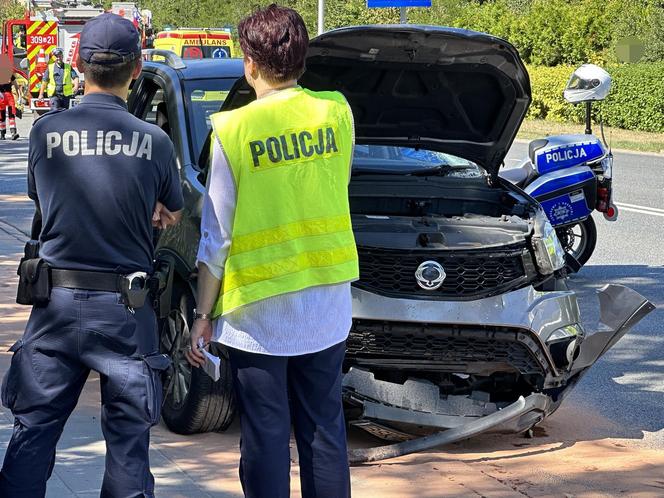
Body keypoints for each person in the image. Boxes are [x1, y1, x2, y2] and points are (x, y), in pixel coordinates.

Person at [0, 13, 183, 498]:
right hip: (126, 311)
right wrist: (150, 210)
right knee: (128, 444)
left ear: (79, 65)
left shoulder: (43, 132)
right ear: (138, 68)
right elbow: (173, 213)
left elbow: (45, 199)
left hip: (54, 306)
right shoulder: (157, 142)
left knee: (33, 433)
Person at [186, 4, 358, 498]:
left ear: (250, 63)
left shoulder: (234, 129)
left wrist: (203, 314)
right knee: (324, 431)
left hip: (258, 314)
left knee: (264, 435)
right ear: (303, 60)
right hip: (325, 305)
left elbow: (216, 237)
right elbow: (338, 185)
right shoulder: (336, 112)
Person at [0, 70, 21, 140]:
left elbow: (16, 86)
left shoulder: (10, 75)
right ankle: (2, 134)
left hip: (9, 96)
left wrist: (20, 97)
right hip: (1, 96)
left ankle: (13, 133)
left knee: (12, 114)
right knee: (1, 116)